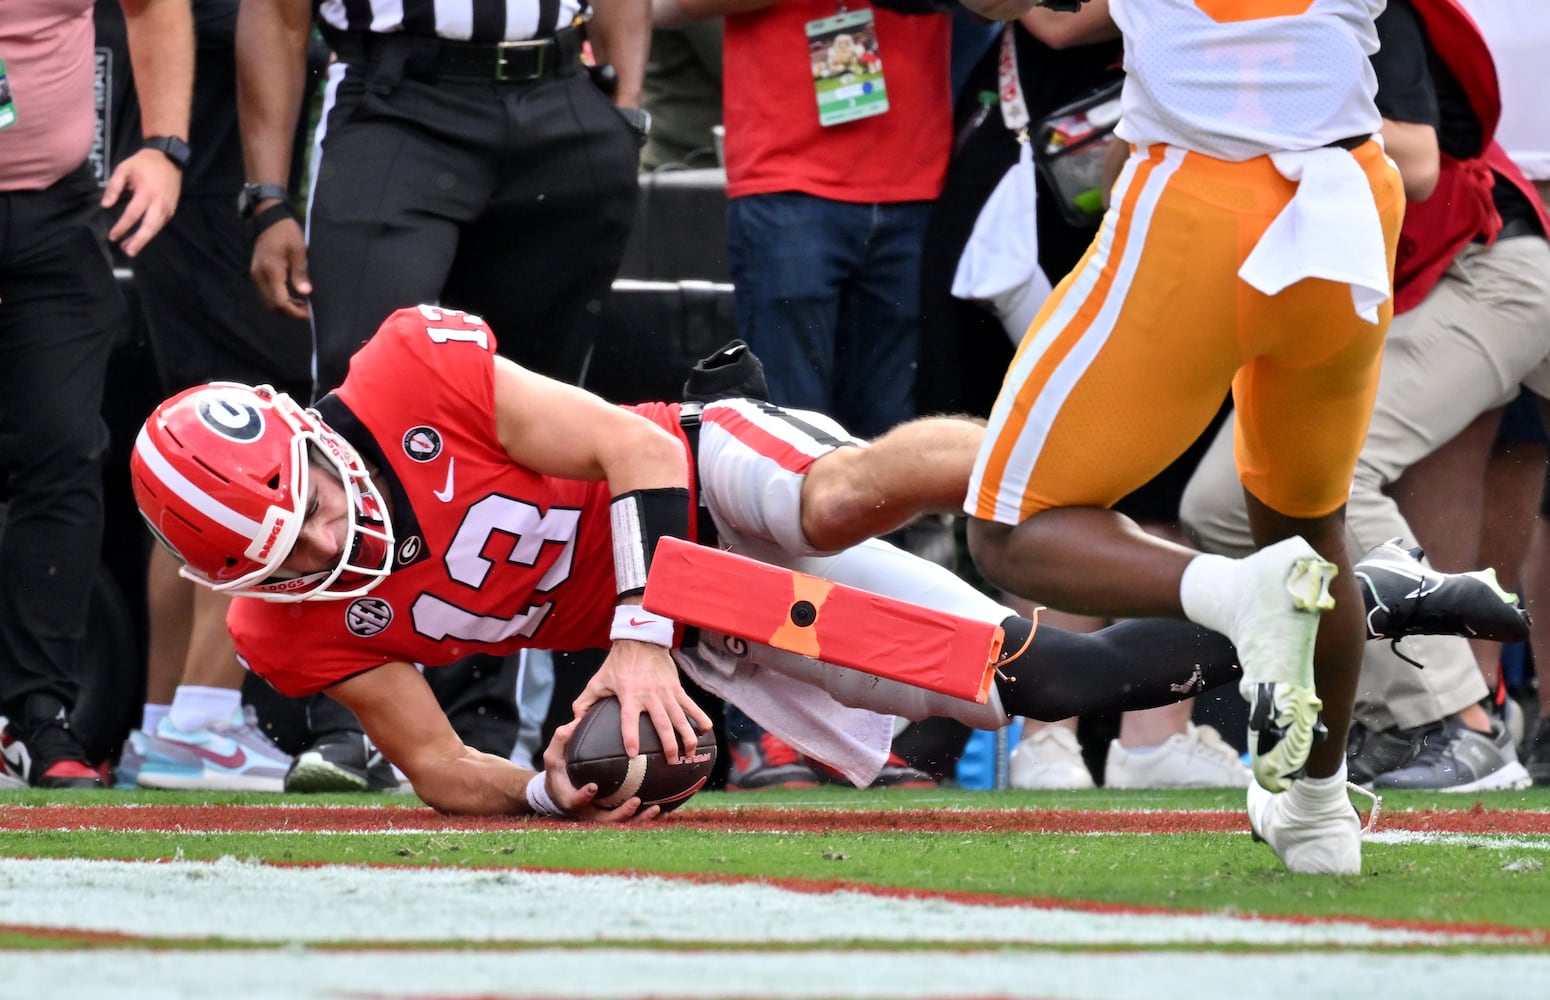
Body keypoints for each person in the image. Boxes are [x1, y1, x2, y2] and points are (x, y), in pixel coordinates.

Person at [127, 304, 1512, 819]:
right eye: (283, 551)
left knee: (839, 491)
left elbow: (632, 451)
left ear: (312, 436)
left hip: (692, 478)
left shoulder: (408, 371)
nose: (326, 540)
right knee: (1038, 680)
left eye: (306, 502)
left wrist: (639, 633)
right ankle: (1349, 602)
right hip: (708, 612)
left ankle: (1064, 462)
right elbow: (438, 770)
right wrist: (553, 792)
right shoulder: (287, 628)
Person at [961, 0, 1406, 874]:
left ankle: (1239, 597)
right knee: (1310, 527)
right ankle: (1317, 811)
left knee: (1011, 528)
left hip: (1199, 200)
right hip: (1352, 197)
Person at [234, 0, 652, 788]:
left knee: (541, 436)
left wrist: (623, 110)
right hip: (400, 97)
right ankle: (347, 721)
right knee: (356, 413)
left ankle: (483, 723)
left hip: (560, 92)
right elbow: (279, 13)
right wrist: (266, 194)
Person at [1178, 0, 1549, 794]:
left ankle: (1458, 722)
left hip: (1486, 268)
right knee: (1228, 497)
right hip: (1385, 284)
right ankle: (1401, 718)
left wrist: (1243, 125)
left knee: (1331, 484)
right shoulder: (1182, 29)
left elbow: (1414, 158)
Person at [0, 0, 192, 788]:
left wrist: (163, 146)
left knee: (66, 451)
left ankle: (38, 719)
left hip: (52, 210)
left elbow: (154, 7)